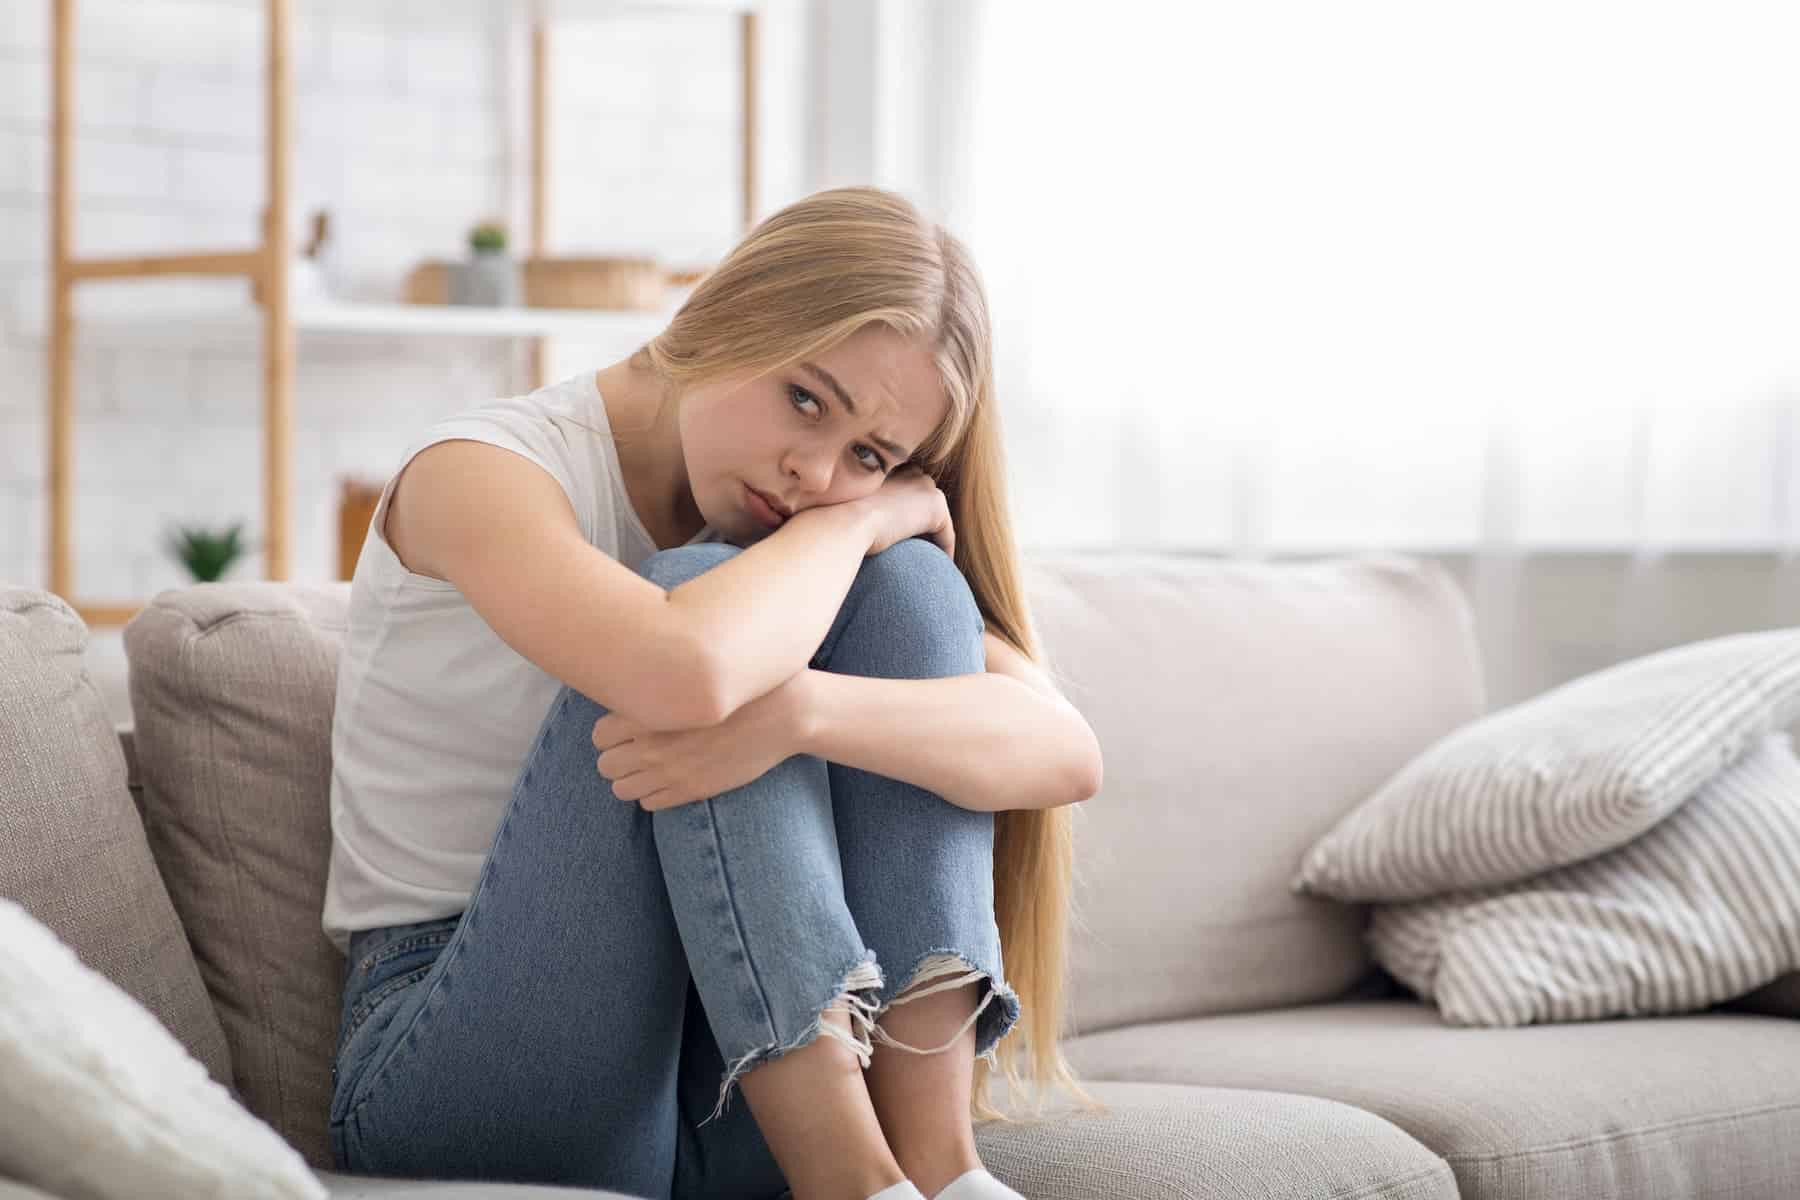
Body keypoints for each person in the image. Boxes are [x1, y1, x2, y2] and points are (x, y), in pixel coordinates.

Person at [322, 185, 1105, 1200]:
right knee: (702, 603)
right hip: (462, 1056)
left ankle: (940, 1171)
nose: (815, 469)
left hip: (722, 1064)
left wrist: (805, 712)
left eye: (871, 456)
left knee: (913, 588)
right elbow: (681, 669)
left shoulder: (786, 534)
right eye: (806, 398)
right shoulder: (480, 471)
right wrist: (854, 521)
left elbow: (1062, 750)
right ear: (724, 312)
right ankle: (853, 1183)